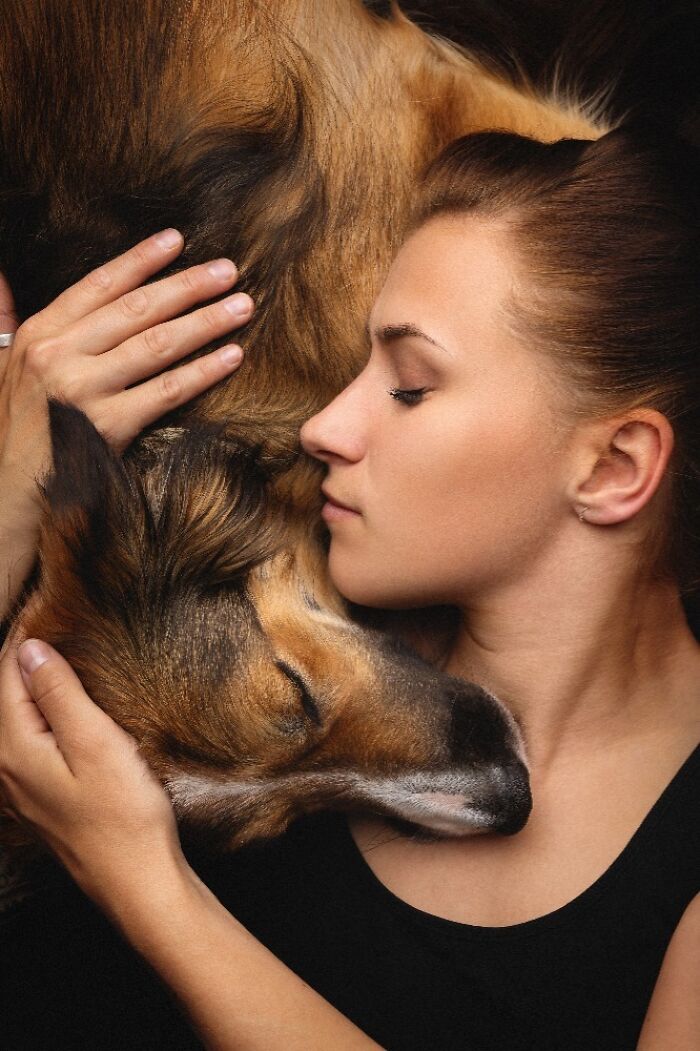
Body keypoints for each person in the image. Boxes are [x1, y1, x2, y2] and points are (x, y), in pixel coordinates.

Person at [0, 126, 698, 1050]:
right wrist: (10, 498)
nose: (325, 423)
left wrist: (144, 886)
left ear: (614, 465)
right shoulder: (234, 647)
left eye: (408, 385)